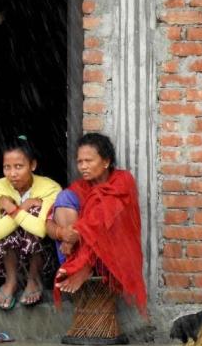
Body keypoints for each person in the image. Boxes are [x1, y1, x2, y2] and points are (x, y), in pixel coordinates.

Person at [46, 133, 147, 315]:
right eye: (80, 162)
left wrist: (76, 235)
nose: (83, 167)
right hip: (79, 248)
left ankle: (85, 267)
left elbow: (100, 220)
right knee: (64, 198)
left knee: (104, 218)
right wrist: (63, 234)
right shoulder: (80, 187)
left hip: (114, 252)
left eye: (89, 161)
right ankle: (77, 264)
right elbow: (49, 223)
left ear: (106, 162)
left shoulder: (123, 181)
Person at [0, 136, 61, 310]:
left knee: (34, 213)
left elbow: (42, 230)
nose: (12, 173)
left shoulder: (50, 188)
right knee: (12, 218)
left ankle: (33, 279)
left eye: (19, 166)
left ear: (32, 165)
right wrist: (20, 209)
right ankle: (11, 280)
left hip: (42, 257)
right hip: (5, 257)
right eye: (7, 167)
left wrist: (14, 209)